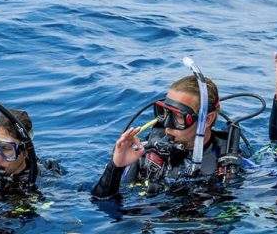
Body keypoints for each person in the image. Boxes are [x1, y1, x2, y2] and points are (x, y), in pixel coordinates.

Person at [91, 73, 232, 199]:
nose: (167, 125)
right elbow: (103, 203)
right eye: (165, 112)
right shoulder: (147, 152)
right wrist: (116, 166)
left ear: (207, 120)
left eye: (178, 117)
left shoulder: (226, 162)